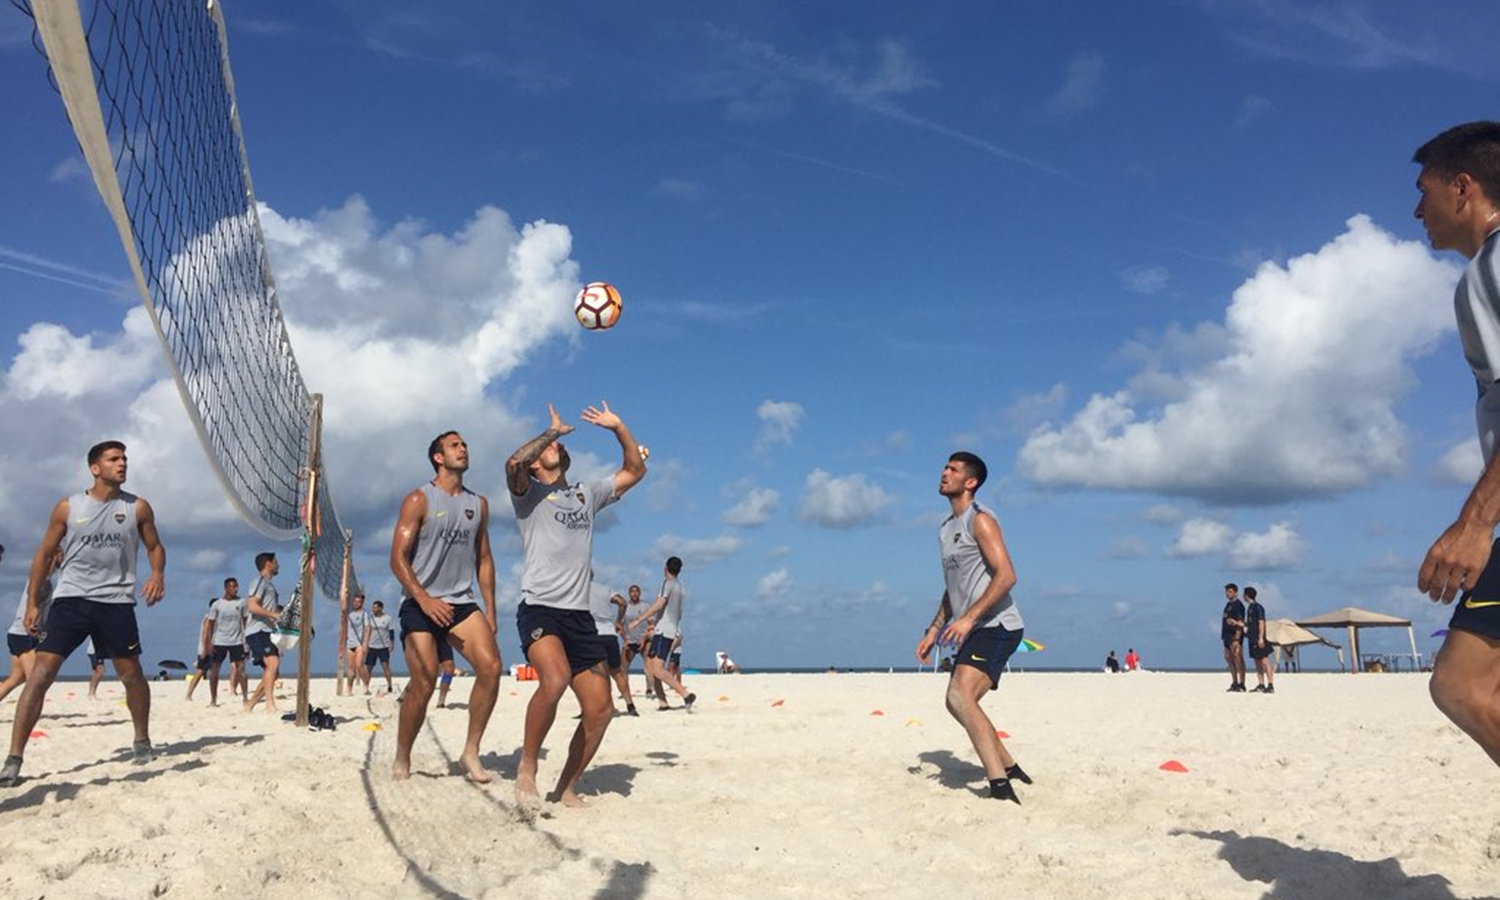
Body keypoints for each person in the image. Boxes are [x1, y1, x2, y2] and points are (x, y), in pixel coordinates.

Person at [1, 440, 166, 787]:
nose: (122, 464)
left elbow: (154, 546)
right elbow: (43, 555)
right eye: (114, 459)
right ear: (95, 468)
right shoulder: (68, 507)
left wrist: (157, 575)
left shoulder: (138, 507)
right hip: (71, 599)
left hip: (116, 602)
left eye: (124, 459)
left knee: (131, 674)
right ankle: (14, 758)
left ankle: (141, 740)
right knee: (41, 674)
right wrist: (32, 603)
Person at [508, 402, 646, 807]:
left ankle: (566, 786)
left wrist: (618, 426)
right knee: (554, 680)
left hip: (580, 616)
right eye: (545, 453)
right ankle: (527, 768)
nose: (553, 453)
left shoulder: (585, 494)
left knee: (601, 710)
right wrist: (549, 434)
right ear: (537, 464)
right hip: (540, 608)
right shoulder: (528, 494)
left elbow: (635, 471)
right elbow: (514, 462)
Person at [1413, 121, 1500, 766]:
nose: (1418, 209)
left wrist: (1475, 523)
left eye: (1425, 192)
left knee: (1462, 685)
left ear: (1462, 187)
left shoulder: (1489, 269)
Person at [915, 452, 1031, 804]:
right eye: (944, 466)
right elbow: (954, 588)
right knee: (959, 704)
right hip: (974, 626)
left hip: (998, 624)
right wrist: (935, 628)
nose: (943, 472)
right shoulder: (945, 529)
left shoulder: (979, 521)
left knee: (959, 696)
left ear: (971, 482)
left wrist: (968, 618)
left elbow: (1007, 575)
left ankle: (999, 785)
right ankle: (1009, 767)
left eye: (952, 469)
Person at [389, 430, 501, 782]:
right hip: (420, 602)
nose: (463, 448)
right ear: (438, 457)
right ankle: (402, 756)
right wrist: (423, 597)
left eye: (464, 444)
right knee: (423, 681)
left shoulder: (478, 504)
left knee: (492, 668)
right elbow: (397, 558)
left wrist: (491, 608)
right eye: (454, 445)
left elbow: (484, 558)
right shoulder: (418, 499)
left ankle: (470, 751)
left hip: (460, 602)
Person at [628, 557, 695, 710]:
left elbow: (659, 604)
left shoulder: (668, 583)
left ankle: (686, 695)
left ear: (665, 568)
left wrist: (638, 620)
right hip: (667, 629)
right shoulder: (680, 587)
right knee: (651, 667)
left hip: (664, 631)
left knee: (657, 669)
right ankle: (663, 702)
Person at [0, 548, 57, 706]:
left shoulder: (45, 581)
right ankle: (29, 715)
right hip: (22, 634)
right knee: (36, 681)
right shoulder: (40, 581)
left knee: (16, 678)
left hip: (19, 633)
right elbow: (35, 609)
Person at [243, 552, 282, 714]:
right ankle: (269, 705)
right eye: (276, 562)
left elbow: (269, 608)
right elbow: (252, 606)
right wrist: (274, 615)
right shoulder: (260, 581)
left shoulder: (270, 585)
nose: (278, 565)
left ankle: (249, 705)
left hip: (267, 631)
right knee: (273, 664)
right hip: (257, 630)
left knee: (272, 671)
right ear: (268, 564)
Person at [204, 578, 247, 706]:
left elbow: (245, 622)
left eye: (236, 586)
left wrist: (247, 641)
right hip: (219, 641)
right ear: (226, 588)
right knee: (215, 670)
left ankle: (245, 698)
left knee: (241, 670)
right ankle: (213, 699)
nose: (235, 589)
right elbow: (210, 624)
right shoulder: (217, 604)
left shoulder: (242, 602)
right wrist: (208, 643)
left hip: (237, 641)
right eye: (232, 586)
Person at [620, 584, 657, 701]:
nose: (634, 593)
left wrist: (644, 638)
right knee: (623, 667)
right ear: (629, 593)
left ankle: (649, 690)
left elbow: (651, 624)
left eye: (636, 591)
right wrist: (625, 639)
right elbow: (619, 625)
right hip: (630, 640)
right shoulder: (624, 607)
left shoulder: (646, 606)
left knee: (648, 666)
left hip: (645, 640)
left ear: (640, 593)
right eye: (632, 591)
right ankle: (625, 691)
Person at [184, 598, 217, 703]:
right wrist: (205, 649)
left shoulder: (213, 618)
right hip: (205, 649)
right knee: (200, 672)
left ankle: (212, 696)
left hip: (210, 648)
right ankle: (189, 694)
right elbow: (205, 634)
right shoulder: (208, 618)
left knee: (210, 671)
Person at [1244, 587, 1273, 693]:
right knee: (1256, 661)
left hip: (1258, 638)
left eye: (1244, 594)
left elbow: (1261, 622)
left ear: (1247, 595)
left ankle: (1270, 685)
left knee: (1265, 661)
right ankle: (1261, 684)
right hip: (1251, 638)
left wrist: (1261, 637)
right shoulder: (1250, 608)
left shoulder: (1258, 607)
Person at [364, 600, 397, 696]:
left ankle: (390, 685)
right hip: (372, 646)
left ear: (380, 608)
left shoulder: (387, 618)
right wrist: (365, 644)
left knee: (385, 667)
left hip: (383, 647)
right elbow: (367, 632)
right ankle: (366, 687)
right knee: (368, 668)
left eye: (375, 607)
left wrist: (392, 643)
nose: (373, 609)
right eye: (372, 607)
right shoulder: (370, 618)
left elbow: (391, 632)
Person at [343, 591, 371, 696]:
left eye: (359, 602)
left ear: (362, 603)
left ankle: (366, 687)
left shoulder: (364, 613)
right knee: (350, 669)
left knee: (359, 665)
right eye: (355, 601)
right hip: (350, 643)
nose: (356, 603)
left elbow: (367, 628)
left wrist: (365, 643)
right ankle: (349, 689)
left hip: (359, 643)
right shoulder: (349, 613)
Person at [1221, 583, 1246, 693]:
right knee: (1228, 658)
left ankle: (1242, 683)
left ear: (1235, 592)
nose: (1227, 593)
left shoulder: (1238, 605)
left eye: (1230, 591)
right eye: (1226, 591)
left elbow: (1241, 623)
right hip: (1226, 635)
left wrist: (1237, 638)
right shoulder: (1227, 605)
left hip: (1234, 636)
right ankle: (1234, 682)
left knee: (1238, 658)